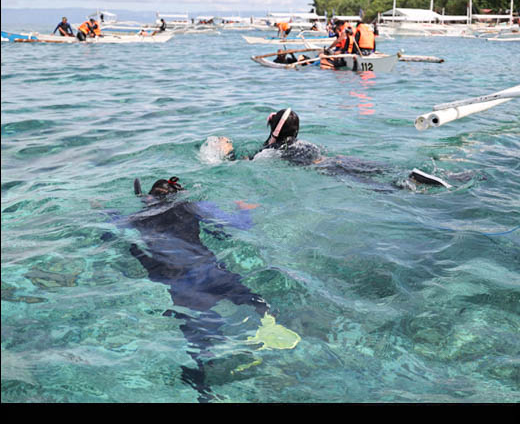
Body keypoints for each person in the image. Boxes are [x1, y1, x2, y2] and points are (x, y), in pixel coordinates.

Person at [108, 176, 294, 401]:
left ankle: (204, 389)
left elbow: (112, 227)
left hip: (178, 281)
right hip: (208, 269)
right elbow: (240, 225)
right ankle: (268, 322)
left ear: (148, 198)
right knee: (250, 297)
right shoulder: (190, 206)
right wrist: (243, 209)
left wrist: (101, 210)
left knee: (198, 333)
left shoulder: (137, 218)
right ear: (177, 193)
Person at [203, 108, 456, 191]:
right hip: (328, 158)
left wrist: (228, 152)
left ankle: (404, 186)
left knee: (369, 183)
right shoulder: (302, 143)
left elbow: (244, 165)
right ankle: (411, 176)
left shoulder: (271, 152)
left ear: (274, 128)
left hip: (325, 169)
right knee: (372, 169)